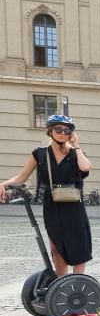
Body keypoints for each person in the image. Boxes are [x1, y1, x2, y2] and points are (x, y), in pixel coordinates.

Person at [0, 114, 93, 275]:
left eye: (67, 130)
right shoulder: (40, 154)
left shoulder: (75, 154)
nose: (63, 133)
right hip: (52, 205)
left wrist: (76, 145)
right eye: (58, 129)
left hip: (74, 205)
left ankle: (78, 283)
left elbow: (85, 167)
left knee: (79, 245)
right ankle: (61, 282)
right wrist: (3, 184)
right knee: (56, 248)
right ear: (50, 131)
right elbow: (22, 177)